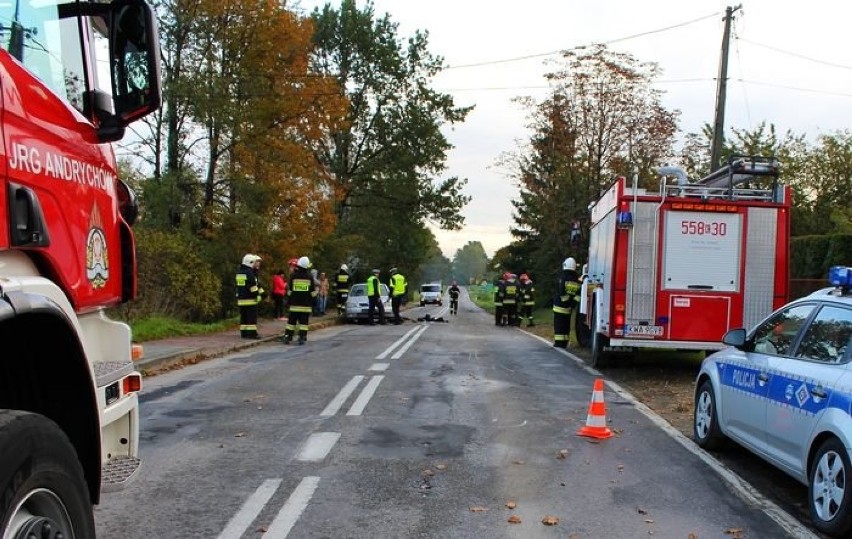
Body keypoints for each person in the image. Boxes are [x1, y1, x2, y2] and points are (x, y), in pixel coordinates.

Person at [282, 256, 316, 345]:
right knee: (303, 323)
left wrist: (288, 301)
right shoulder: (309, 276)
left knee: (291, 323)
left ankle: (288, 337)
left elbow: (290, 291)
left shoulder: (293, 276)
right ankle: (302, 337)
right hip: (305, 306)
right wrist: (314, 302)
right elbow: (312, 292)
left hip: (294, 305)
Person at [553, 257, 581, 348]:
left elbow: (561, 292)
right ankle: (565, 342)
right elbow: (578, 295)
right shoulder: (577, 280)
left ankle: (558, 343)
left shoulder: (562, 277)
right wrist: (572, 305)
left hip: (560, 307)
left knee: (559, 325)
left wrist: (565, 302)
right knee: (566, 325)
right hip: (569, 308)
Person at [236, 254, 264, 339]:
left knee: (243, 318)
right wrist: (257, 295)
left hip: (241, 300)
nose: (256, 264)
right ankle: (252, 334)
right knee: (251, 318)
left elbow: (240, 286)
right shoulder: (250, 273)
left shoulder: (239, 272)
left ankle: (244, 333)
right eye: (255, 262)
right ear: (250, 262)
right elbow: (253, 287)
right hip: (250, 300)